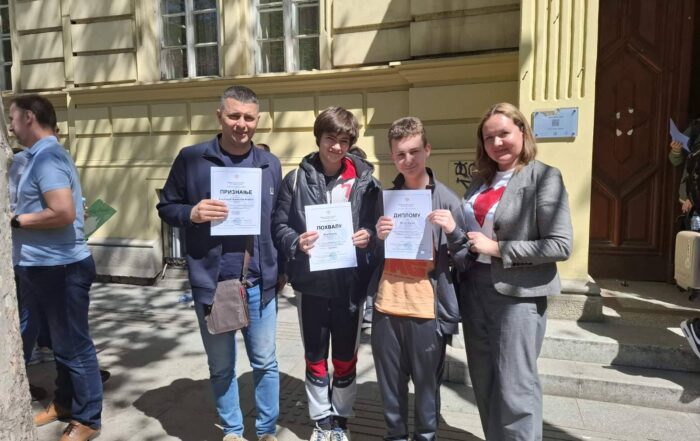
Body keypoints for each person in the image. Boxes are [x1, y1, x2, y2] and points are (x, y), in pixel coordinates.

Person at [157, 85, 282, 441]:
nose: (241, 124)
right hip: (212, 284)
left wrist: (281, 270)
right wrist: (192, 213)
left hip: (258, 283)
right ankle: (232, 431)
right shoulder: (192, 158)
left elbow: (277, 220)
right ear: (219, 116)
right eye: (234, 116)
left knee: (265, 363)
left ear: (258, 120)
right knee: (222, 366)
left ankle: (266, 431)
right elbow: (166, 207)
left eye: (248, 118)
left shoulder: (269, 163)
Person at [460, 102, 573, 440]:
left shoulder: (544, 177)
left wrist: (497, 249)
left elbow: (559, 245)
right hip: (473, 289)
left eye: (504, 134)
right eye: (489, 137)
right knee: (484, 380)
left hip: (517, 296)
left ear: (522, 132)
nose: (497, 143)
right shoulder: (479, 180)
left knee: (516, 387)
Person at [272, 107, 380, 441]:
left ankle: (341, 419)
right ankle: (321, 420)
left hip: (350, 287)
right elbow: (279, 225)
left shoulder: (367, 182)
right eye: (330, 138)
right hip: (312, 286)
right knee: (315, 357)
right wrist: (296, 242)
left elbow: (378, 226)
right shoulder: (295, 180)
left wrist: (369, 235)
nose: (336, 147)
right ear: (318, 138)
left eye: (344, 141)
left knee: (346, 358)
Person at [10, 94, 104, 441]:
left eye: (13, 119)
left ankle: (88, 419)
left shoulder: (48, 158)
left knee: (74, 347)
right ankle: (65, 401)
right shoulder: (35, 157)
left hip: (60, 268)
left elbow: (63, 212)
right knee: (58, 346)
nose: (10, 127)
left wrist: (15, 220)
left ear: (29, 118)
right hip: (40, 266)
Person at [370, 116, 470, 441]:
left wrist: (453, 232)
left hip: (427, 311)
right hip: (386, 307)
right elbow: (371, 256)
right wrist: (376, 239)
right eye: (400, 154)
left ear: (427, 149)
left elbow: (467, 261)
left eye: (414, 151)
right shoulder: (384, 199)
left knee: (427, 392)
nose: (408, 160)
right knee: (390, 391)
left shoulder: (449, 200)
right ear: (392, 156)